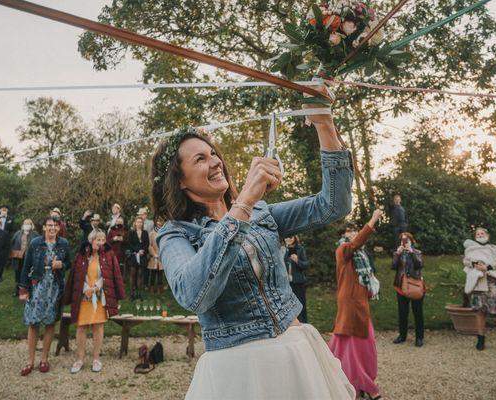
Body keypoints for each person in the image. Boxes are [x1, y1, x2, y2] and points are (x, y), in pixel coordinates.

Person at [154, 97, 356, 399]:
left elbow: (332, 206)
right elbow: (193, 293)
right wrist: (244, 201)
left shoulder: (263, 213)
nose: (215, 162)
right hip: (238, 371)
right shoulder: (176, 234)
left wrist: (324, 124)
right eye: (199, 159)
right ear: (179, 181)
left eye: (213, 154)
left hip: (296, 355)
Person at [329, 211, 383, 400]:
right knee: (358, 345)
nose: (352, 233)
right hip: (352, 304)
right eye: (349, 230)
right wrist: (373, 220)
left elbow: (365, 272)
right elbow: (356, 243)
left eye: (354, 230)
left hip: (358, 302)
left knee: (351, 344)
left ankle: (349, 381)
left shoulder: (359, 254)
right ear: (343, 235)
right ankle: (360, 383)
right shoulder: (343, 250)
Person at [65, 230, 125, 373]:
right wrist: (86, 288)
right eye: (98, 239)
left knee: (98, 327)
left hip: (99, 297)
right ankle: (80, 359)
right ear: (91, 240)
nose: (101, 242)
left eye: (103, 239)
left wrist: (97, 287)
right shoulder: (81, 255)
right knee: (81, 328)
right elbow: (76, 276)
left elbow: (112, 275)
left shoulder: (109, 255)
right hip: (84, 297)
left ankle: (96, 358)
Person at [18, 216, 71, 376]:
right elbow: (26, 265)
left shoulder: (64, 244)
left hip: (54, 288)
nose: (52, 228)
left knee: (49, 323)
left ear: (59, 228)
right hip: (37, 287)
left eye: (55, 225)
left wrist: (61, 264)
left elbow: (69, 263)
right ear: (43, 227)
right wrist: (23, 289)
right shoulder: (35, 243)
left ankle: (44, 359)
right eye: (49, 225)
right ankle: (29, 361)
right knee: (33, 323)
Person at [463, 227, 496, 353]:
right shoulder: (470, 249)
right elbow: (466, 261)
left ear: (487, 235)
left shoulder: (495, 249)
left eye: (482, 233)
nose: (480, 235)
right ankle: (480, 340)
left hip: (493, 284)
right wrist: (475, 265)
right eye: (477, 234)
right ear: (475, 237)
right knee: (480, 312)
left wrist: (489, 266)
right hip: (479, 284)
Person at [391, 232, 424, 347]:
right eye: (402, 241)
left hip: (415, 285)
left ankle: (419, 337)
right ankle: (402, 335)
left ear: (411, 241)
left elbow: (419, 264)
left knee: (418, 312)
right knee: (402, 312)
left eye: (407, 240)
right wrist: (397, 254)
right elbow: (393, 266)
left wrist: (411, 251)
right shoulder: (398, 253)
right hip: (401, 286)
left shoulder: (417, 252)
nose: (405, 243)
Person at [282, 235, 309, 323]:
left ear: (294, 238)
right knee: (287, 305)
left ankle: (302, 323)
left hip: (297, 282)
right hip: (285, 283)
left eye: (291, 237)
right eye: (287, 237)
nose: (288, 239)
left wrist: (297, 261)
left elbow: (305, 265)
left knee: (300, 304)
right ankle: (290, 324)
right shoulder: (281, 249)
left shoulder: (300, 249)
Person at [9, 219, 38, 296]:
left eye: (28, 224)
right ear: (23, 225)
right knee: (18, 275)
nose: (27, 226)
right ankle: (18, 291)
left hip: (29, 259)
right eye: (25, 224)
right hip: (18, 258)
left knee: (28, 274)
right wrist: (14, 251)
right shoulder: (18, 233)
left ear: (31, 226)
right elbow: (11, 243)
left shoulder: (35, 234)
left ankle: (28, 290)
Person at [127, 216, 149, 300]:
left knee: (140, 274)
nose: (139, 223)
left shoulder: (145, 232)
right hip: (134, 255)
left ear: (142, 223)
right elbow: (130, 244)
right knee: (133, 274)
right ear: (135, 223)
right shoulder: (131, 232)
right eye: (138, 222)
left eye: (141, 222)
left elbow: (147, 243)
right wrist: (138, 251)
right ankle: (132, 293)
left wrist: (142, 250)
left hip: (142, 255)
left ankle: (139, 293)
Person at [0, 205, 15, 281]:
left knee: (3, 258)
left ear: (7, 211)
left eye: (5, 210)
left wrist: (8, 236)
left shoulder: (11, 219)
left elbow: (12, 229)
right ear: (0, 210)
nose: (4, 211)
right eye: (2, 210)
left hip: (6, 240)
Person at [147, 222, 165, 295]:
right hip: (153, 257)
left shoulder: (164, 232)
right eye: (158, 223)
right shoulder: (151, 233)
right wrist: (154, 254)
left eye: (160, 223)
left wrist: (161, 254)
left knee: (160, 274)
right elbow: (149, 245)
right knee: (153, 274)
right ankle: (151, 289)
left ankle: (159, 289)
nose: (159, 224)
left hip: (161, 256)